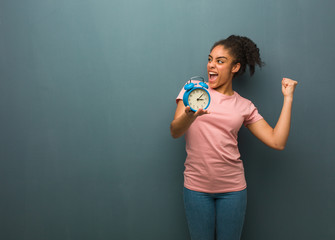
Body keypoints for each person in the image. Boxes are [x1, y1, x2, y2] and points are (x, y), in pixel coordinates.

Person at [170, 35, 298, 240]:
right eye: (210, 59)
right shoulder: (192, 89)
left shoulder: (244, 106)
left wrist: (288, 98)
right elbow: (175, 131)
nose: (211, 65)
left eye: (220, 61)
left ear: (235, 67)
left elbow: (277, 141)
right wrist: (188, 116)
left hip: (233, 190)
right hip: (196, 188)